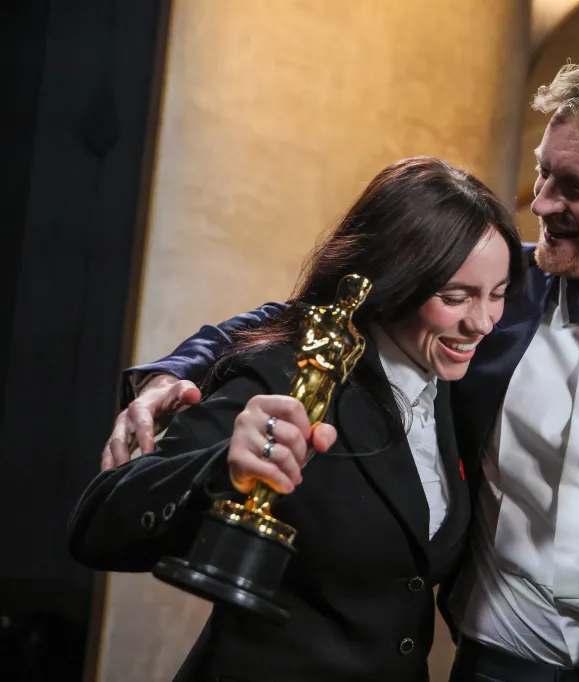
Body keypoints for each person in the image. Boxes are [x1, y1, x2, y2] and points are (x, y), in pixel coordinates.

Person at [103, 52, 579, 681]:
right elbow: (313, 314)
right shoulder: (485, 294)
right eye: (541, 173)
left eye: (576, 189)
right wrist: (174, 372)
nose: (540, 204)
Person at [69, 157, 526, 682]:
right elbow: (97, 528)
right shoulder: (292, 373)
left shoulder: (451, 380)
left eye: (498, 294)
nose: (484, 321)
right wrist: (224, 469)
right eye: (455, 297)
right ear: (393, 279)